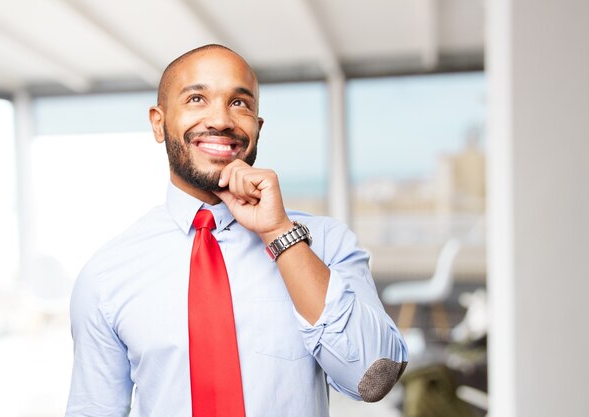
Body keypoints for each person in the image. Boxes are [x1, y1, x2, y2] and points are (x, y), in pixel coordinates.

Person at [66, 44, 407, 417]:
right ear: (158, 123)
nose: (221, 120)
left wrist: (279, 233)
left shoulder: (326, 242)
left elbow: (374, 378)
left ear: (257, 128)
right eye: (197, 98)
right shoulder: (106, 276)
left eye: (240, 103)